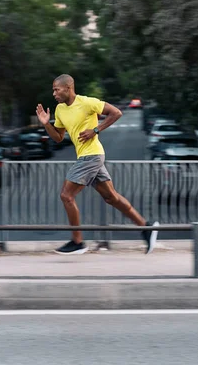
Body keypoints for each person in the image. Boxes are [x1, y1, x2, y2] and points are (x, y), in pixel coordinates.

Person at [36, 74, 159, 255]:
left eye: (56, 89)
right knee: (111, 198)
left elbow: (116, 112)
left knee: (66, 195)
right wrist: (47, 124)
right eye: (53, 90)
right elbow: (59, 137)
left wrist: (95, 130)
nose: (54, 93)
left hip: (91, 156)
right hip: (88, 157)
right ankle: (147, 228)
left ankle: (78, 241)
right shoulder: (60, 109)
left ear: (68, 88)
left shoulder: (87, 102)